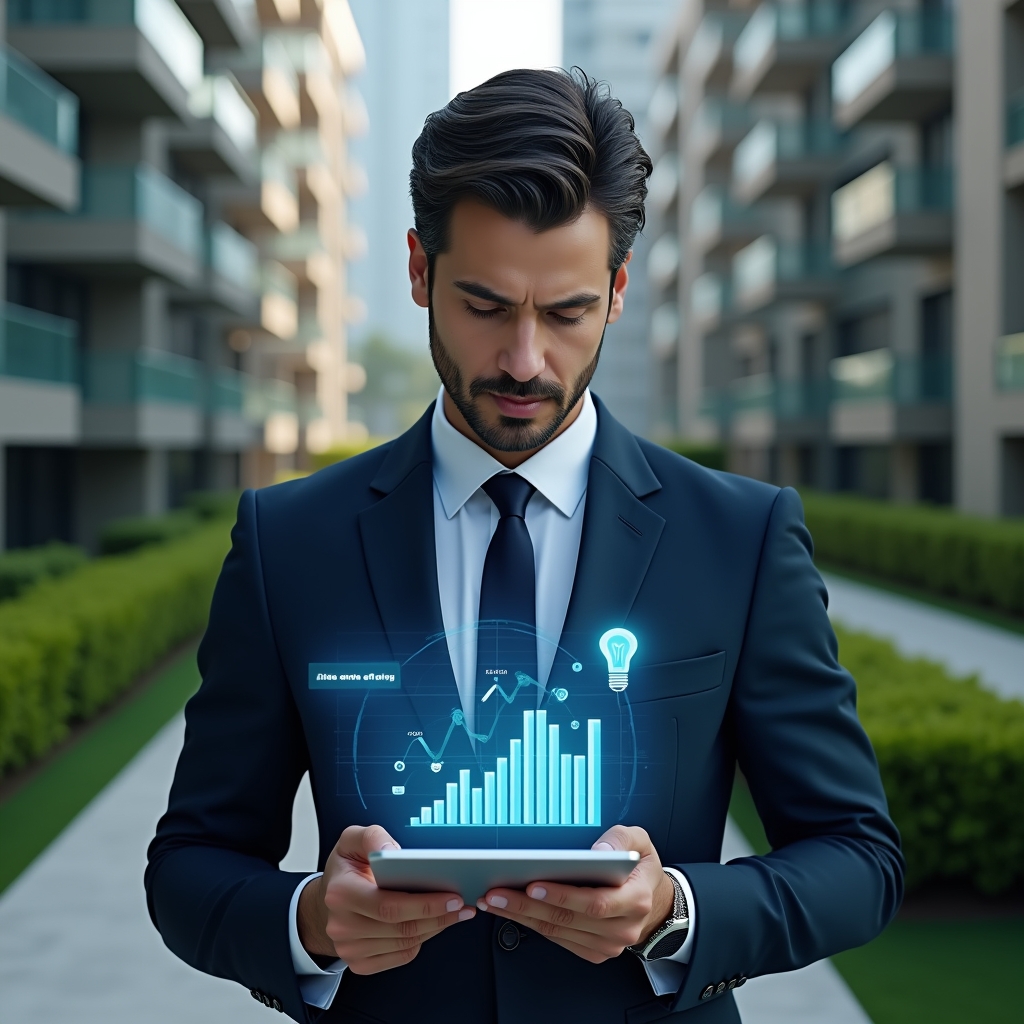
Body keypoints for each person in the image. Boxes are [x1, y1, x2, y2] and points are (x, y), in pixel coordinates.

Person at [146, 69, 903, 1024]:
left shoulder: (740, 537)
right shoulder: (288, 539)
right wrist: (310, 922)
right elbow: (189, 865)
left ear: (619, 291)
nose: (524, 361)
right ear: (419, 271)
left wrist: (676, 910)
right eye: (488, 305)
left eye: (567, 312)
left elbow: (858, 857)